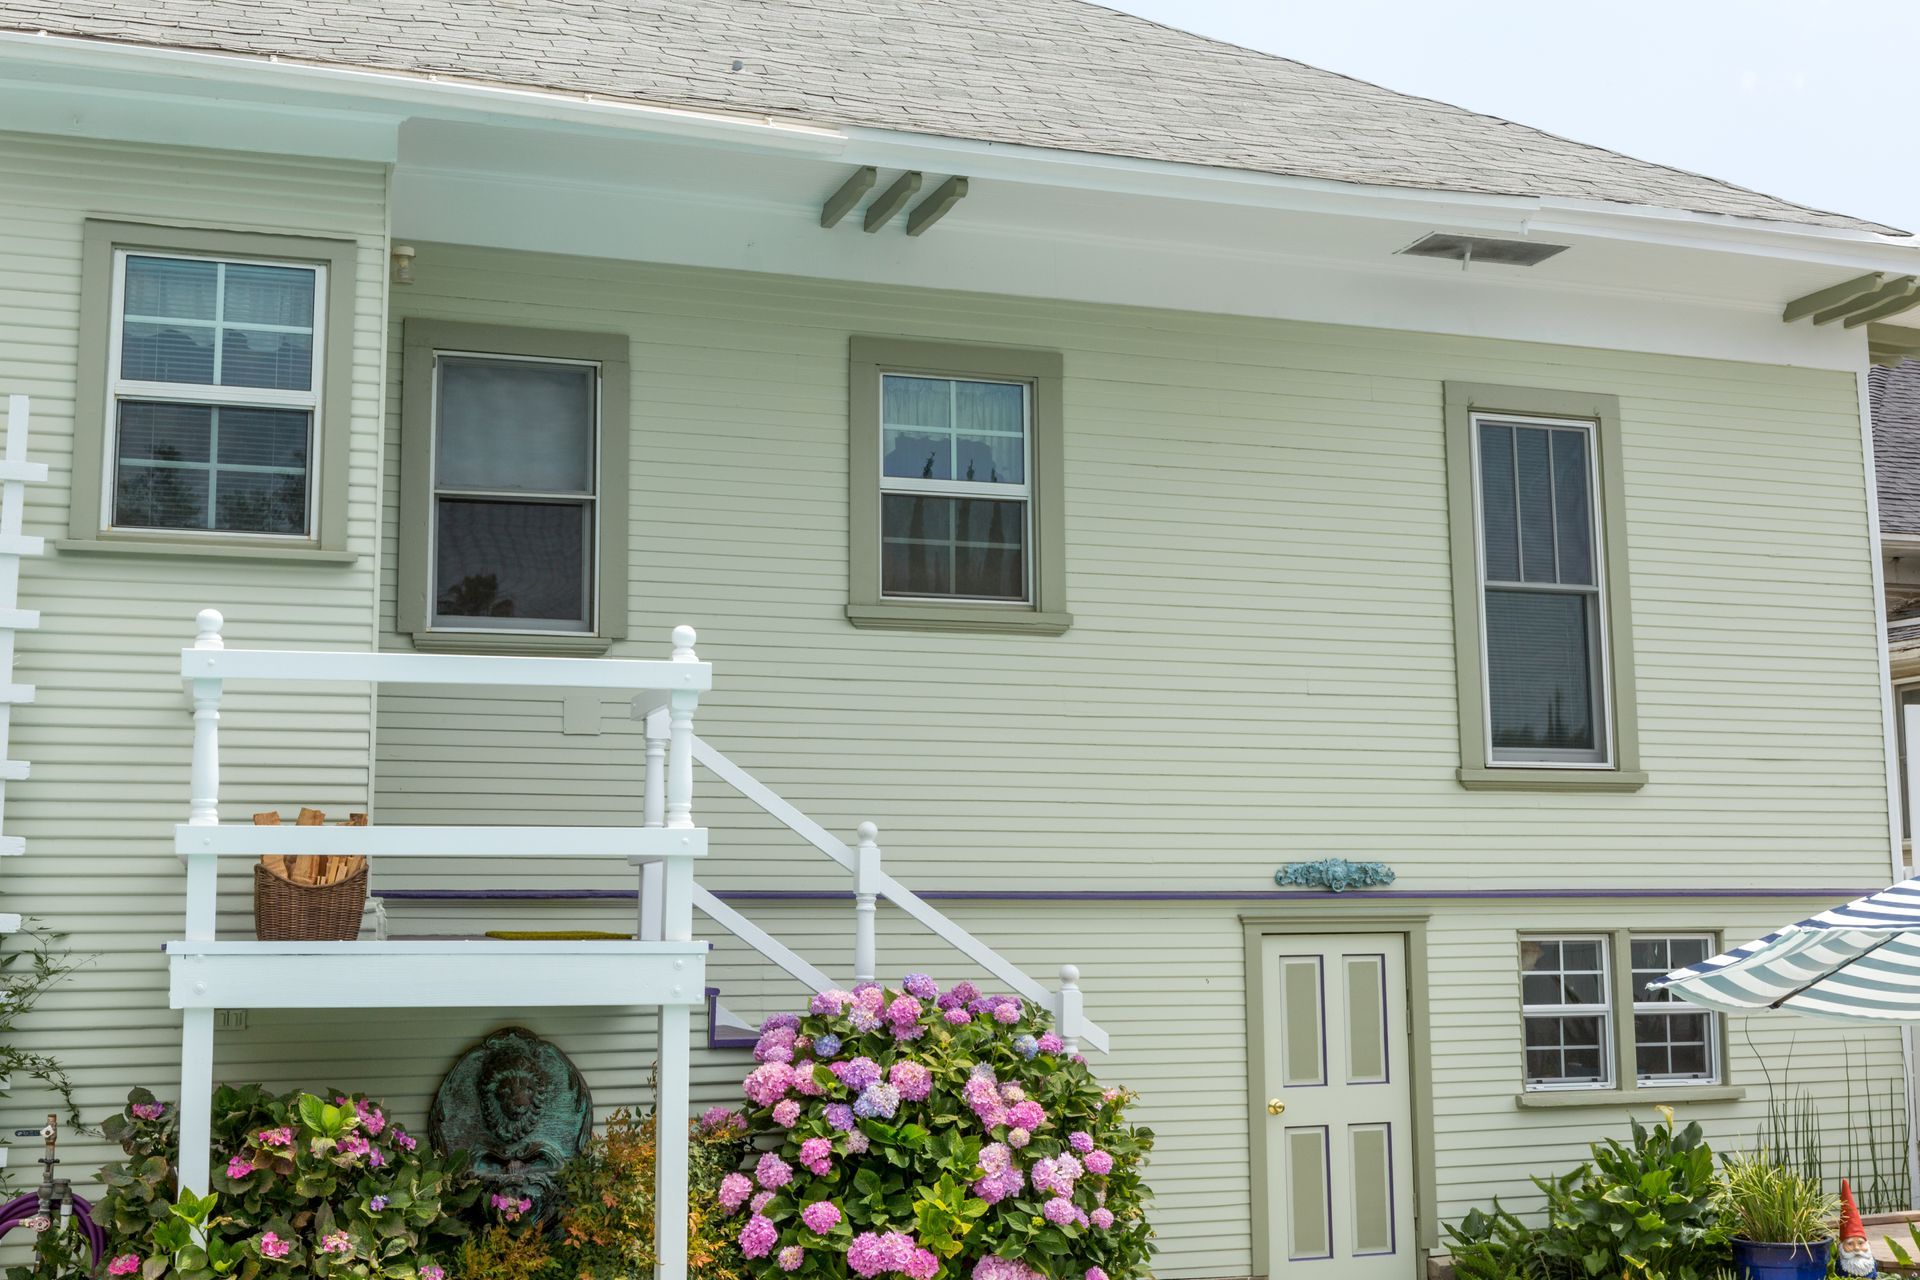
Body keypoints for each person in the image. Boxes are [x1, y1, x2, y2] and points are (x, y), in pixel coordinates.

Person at [1838, 1178, 1877, 1279]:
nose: (1856, 1248)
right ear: (1841, 1246)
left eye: (1860, 1243)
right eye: (1850, 1244)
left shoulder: (1871, 1264)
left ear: (1867, 1243)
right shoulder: (1840, 1265)